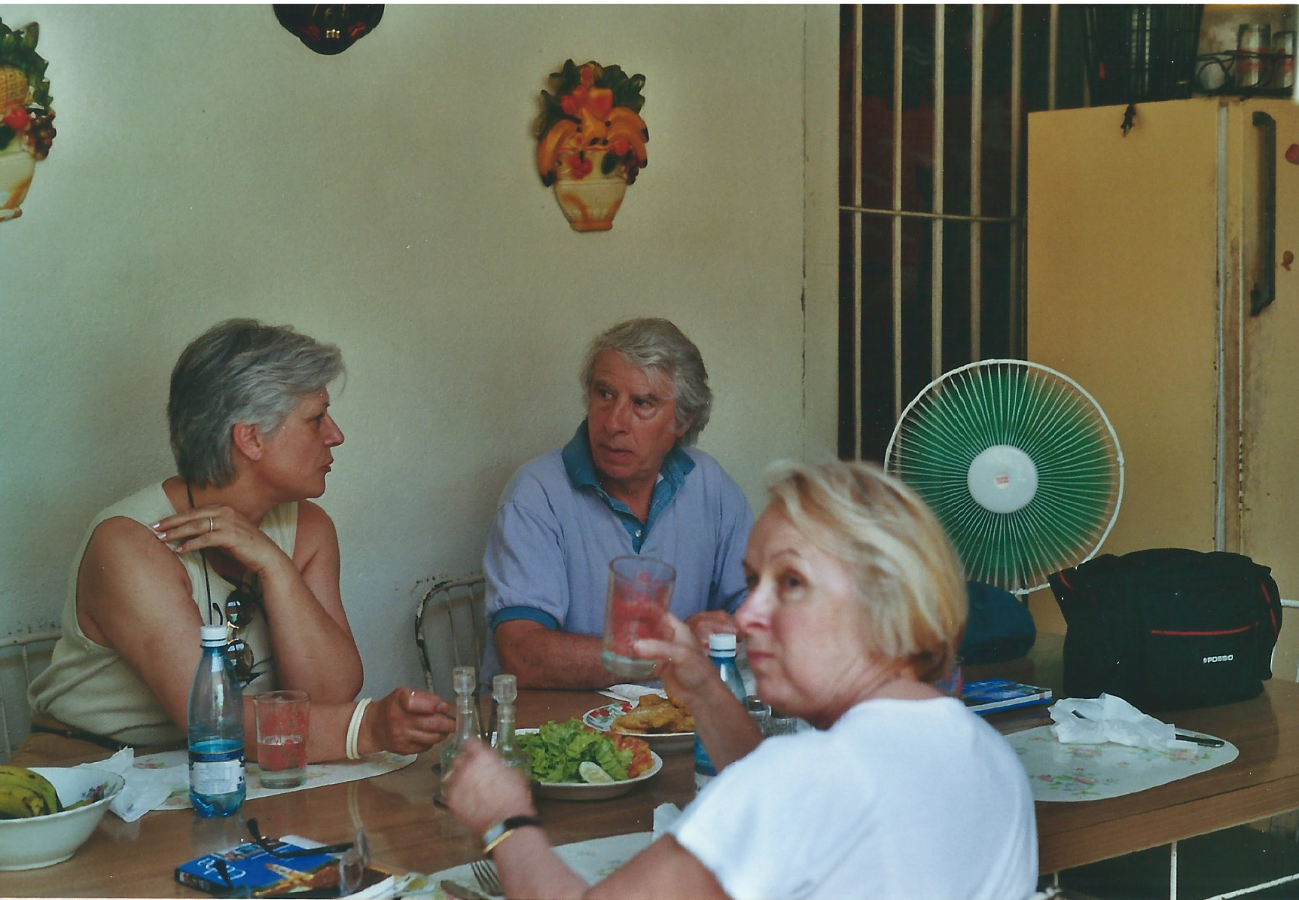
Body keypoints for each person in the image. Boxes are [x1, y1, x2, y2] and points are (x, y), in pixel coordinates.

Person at [445, 460, 1038, 900]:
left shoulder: (803, 778)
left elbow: (785, 791)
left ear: (888, 605)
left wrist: (507, 821)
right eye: (754, 581)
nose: (749, 614)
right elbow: (787, 801)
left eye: (792, 583)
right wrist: (704, 686)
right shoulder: (989, 756)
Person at [22, 318, 454, 765]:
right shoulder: (130, 544)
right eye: (315, 419)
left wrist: (274, 564)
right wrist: (367, 728)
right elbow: (210, 721)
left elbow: (327, 696)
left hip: (235, 767)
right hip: (91, 767)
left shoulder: (308, 528)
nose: (336, 435)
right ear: (250, 438)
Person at [481, 317, 753, 688]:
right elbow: (524, 655)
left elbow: (765, 614)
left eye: (642, 403)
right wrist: (669, 651)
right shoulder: (536, 494)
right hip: (558, 720)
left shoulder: (709, 486)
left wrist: (736, 630)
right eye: (605, 394)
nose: (613, 423)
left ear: (683, 420)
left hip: (677, 716)